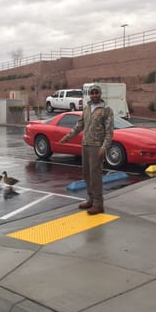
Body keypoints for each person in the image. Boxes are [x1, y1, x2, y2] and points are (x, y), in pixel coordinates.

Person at [59, 84, 114, 215]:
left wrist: (104, 147)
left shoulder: (106, 110)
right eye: (92, 93)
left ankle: (98, 204)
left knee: (95, 176)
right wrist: (67, 138)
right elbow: (79, 125)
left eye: (97, 93)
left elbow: (109, 131)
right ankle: (90, 199)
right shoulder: (87, 108)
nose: (94, 95)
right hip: (86, 145)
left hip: (97, 147)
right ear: (90, 94)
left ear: (100, 94)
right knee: (86, 174)